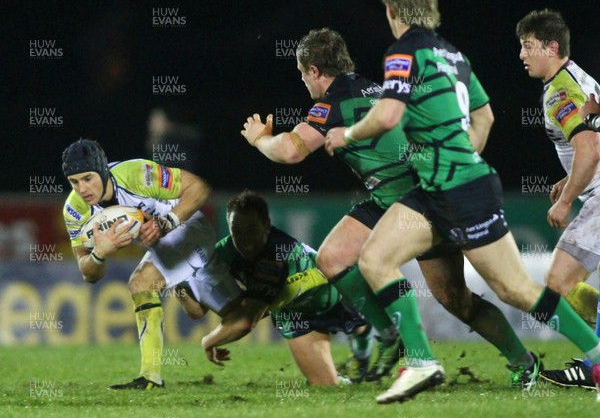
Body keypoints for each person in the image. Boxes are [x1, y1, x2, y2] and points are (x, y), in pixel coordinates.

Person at [324, 0, 600, 404]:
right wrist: (457, 156)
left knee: (518, 290)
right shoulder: (454, 55)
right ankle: (421, 361)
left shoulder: (403, 52)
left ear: (394, 11)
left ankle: (597, 356)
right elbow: (485, 117)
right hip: (444, 186)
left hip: (458, 190)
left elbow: (388, 116)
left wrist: (348, 134)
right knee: (375, 257)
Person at [241, 27, 543, 388]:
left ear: (314, 71)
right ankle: (389, 335)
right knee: (333, 257)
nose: (303, 80)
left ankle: (521, 360)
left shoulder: (336, 101)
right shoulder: (370, 88)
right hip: (390, 197)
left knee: (455, 298)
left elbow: (290, 150)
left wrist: (260, 140)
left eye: (302, 73)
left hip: (418, 202)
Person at [61, 138, 241, 389]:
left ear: (102, 170)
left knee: (140, 283)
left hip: (188, 228)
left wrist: (166, 222)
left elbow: (198, 188)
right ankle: (235, 285)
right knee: (202, 312)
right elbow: (88, 273)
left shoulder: (137, 174)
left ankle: (150, 378)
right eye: (74, 182)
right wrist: (99, 254)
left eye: (88, 178)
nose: (82, 189)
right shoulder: (74, 211)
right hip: (161, 246)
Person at [177, 190, 370, 385]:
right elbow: (196, 310)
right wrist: (179, 280)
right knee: (326, 386)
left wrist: (208, 341)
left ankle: (364, 350)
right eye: (237, 231)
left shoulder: (276, 256)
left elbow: (246, 321)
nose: (244, 240)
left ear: (267, 226)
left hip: (330, 291)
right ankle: (350, 374)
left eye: (251, 230)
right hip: (293, 313)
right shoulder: (223, 252)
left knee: (365, 329)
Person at [516, 9, 600, 389]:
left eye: (527, 46)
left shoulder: (561, 91)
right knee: (561, 285)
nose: (522, 54)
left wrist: (566, 200)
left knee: (556, 287)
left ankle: (593, 365)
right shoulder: (579, 79)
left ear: (551, 47)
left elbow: (590, 148)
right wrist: (569, 180)